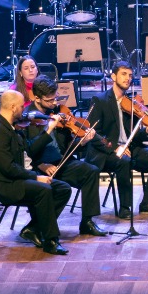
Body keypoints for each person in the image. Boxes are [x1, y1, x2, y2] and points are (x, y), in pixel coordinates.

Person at [0, 90, 66, 254]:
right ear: (13, 107)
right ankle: (50, 240)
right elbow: (8, 168)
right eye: (21, 106)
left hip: (19, 178)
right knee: (44, 190)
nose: (24, 110)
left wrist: (47, 131)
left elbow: (30, 149)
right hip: (6, 185)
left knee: (63, 189)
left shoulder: (12, 126)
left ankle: (33, 228)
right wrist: (36, 177)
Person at [22, 75, 106, 237]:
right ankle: (37, 226)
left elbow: (66, 147)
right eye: (50, 100)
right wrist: (40, 164)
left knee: (91, 171)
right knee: (58, 189)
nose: (54, 103)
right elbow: (29, 150)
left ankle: (87, 222)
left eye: (56, 98)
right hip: (39, 167)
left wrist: (81, 142)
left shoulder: (58, 113)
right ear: (37, 98)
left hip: (60, 162)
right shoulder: (28, 117)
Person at [85, 62, 148, 217]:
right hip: (105, 152)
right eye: (123, 74)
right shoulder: (100, 100)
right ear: (113, 76)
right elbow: (93, 133)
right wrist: (114, 147)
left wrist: (147, 130)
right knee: (123, 161)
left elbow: (134, 136)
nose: (128, 78)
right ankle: (125, 207)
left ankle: (147, 202)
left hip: (129, 148)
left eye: (130, 75)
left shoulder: (130, 104)